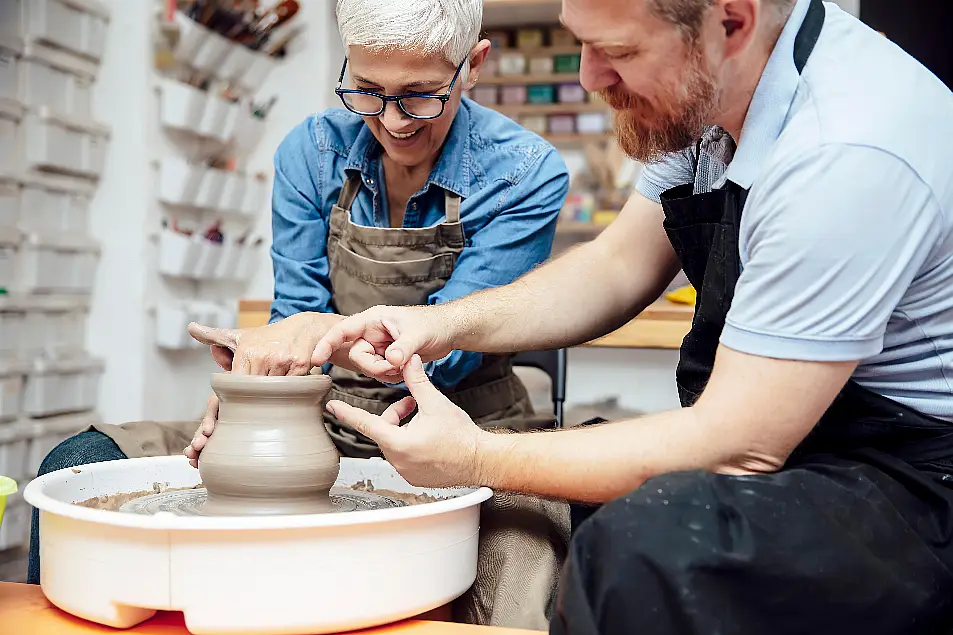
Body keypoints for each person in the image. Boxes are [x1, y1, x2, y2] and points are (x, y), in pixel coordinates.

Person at [306, 0, 953, 632]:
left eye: (616, 51)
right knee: (549, 507)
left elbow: (737, 445)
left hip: (911, 480)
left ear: (730, 22)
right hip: (797, 435)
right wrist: (440, 324)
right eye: (582, 43)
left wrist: (475, 453)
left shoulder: (843, 148)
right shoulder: (710, 94)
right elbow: (615, 267)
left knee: (641, 546)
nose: (589, 76)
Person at [29, 0, 570, 624]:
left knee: (521, 566)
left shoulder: (525, 173)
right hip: (311, 415)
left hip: (459, 426)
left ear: (472, 66)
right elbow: (295, 314)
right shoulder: (310, 152)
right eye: (367, 90)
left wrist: (312, 335)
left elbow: (448, 351)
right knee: (75, 465)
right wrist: (250, 384)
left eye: (419, 94)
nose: (391, 121)